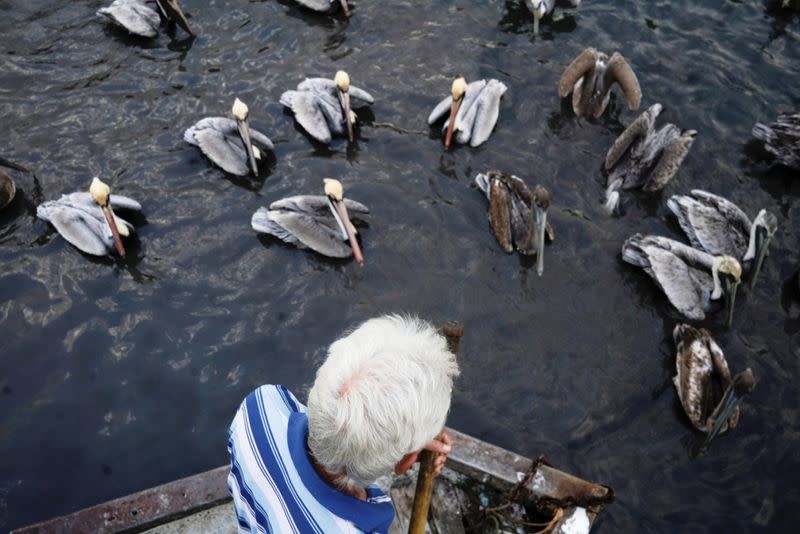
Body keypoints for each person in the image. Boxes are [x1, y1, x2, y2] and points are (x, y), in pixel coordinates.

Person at [227, 314, 460, 534]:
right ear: (404, 462)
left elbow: (331, 428)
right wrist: (398, 452)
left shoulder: (259, 407)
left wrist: (400, 450)